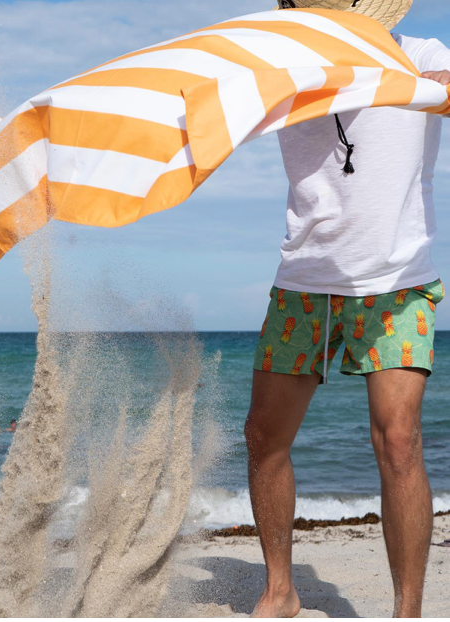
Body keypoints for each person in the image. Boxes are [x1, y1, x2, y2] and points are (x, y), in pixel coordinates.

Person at [245, 1, 450, 618]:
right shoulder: (285, 66)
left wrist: (378, 75)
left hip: (397, 280)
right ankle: (280, 590)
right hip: (305, 278)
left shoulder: (421, 56)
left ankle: (406, 610)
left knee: (400, 442)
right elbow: (217, 103)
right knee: (263, 437)